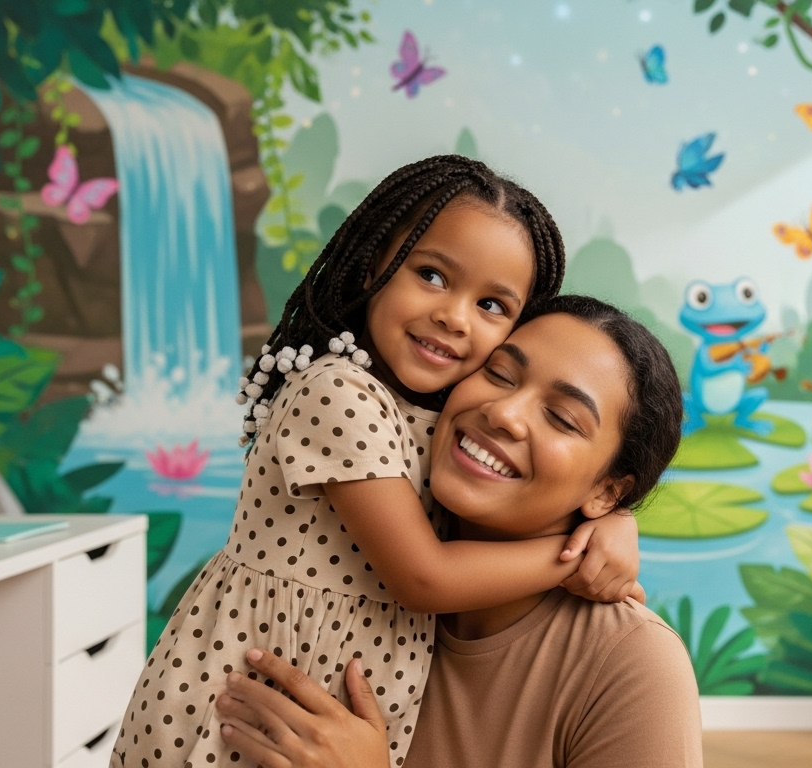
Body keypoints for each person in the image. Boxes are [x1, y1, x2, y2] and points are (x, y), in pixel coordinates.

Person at [112, 159, 644, 768]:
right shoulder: (335, 393)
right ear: (374, 266)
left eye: (493, 305)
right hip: (243, 703)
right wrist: (578, 557)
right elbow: (423, 577)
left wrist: (613, 519)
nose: (455, 316)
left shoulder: (448, 418)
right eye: (431, 275)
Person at [214, 296, 702, 768]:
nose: (503, 413)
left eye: (561, 418)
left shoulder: (632, 665)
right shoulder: (356, 555)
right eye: (499, 374)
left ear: (608, 490)